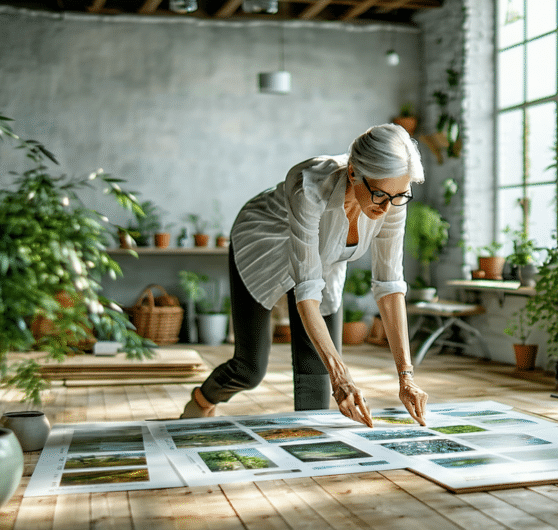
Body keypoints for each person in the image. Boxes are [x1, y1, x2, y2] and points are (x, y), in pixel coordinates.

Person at [181, 123, 429, 427]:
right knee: (249, 368)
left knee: (317, 372)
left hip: (324, 255)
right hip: (265, 241)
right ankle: (203, 399)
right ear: (353, 173)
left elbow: (389, 286)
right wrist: (344, 377)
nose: (387, 206)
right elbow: (307, 291)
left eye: (399, 195)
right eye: (379, 194)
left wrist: (406, 377)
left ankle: (308, 444)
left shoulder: (392, 198)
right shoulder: (310, 186)